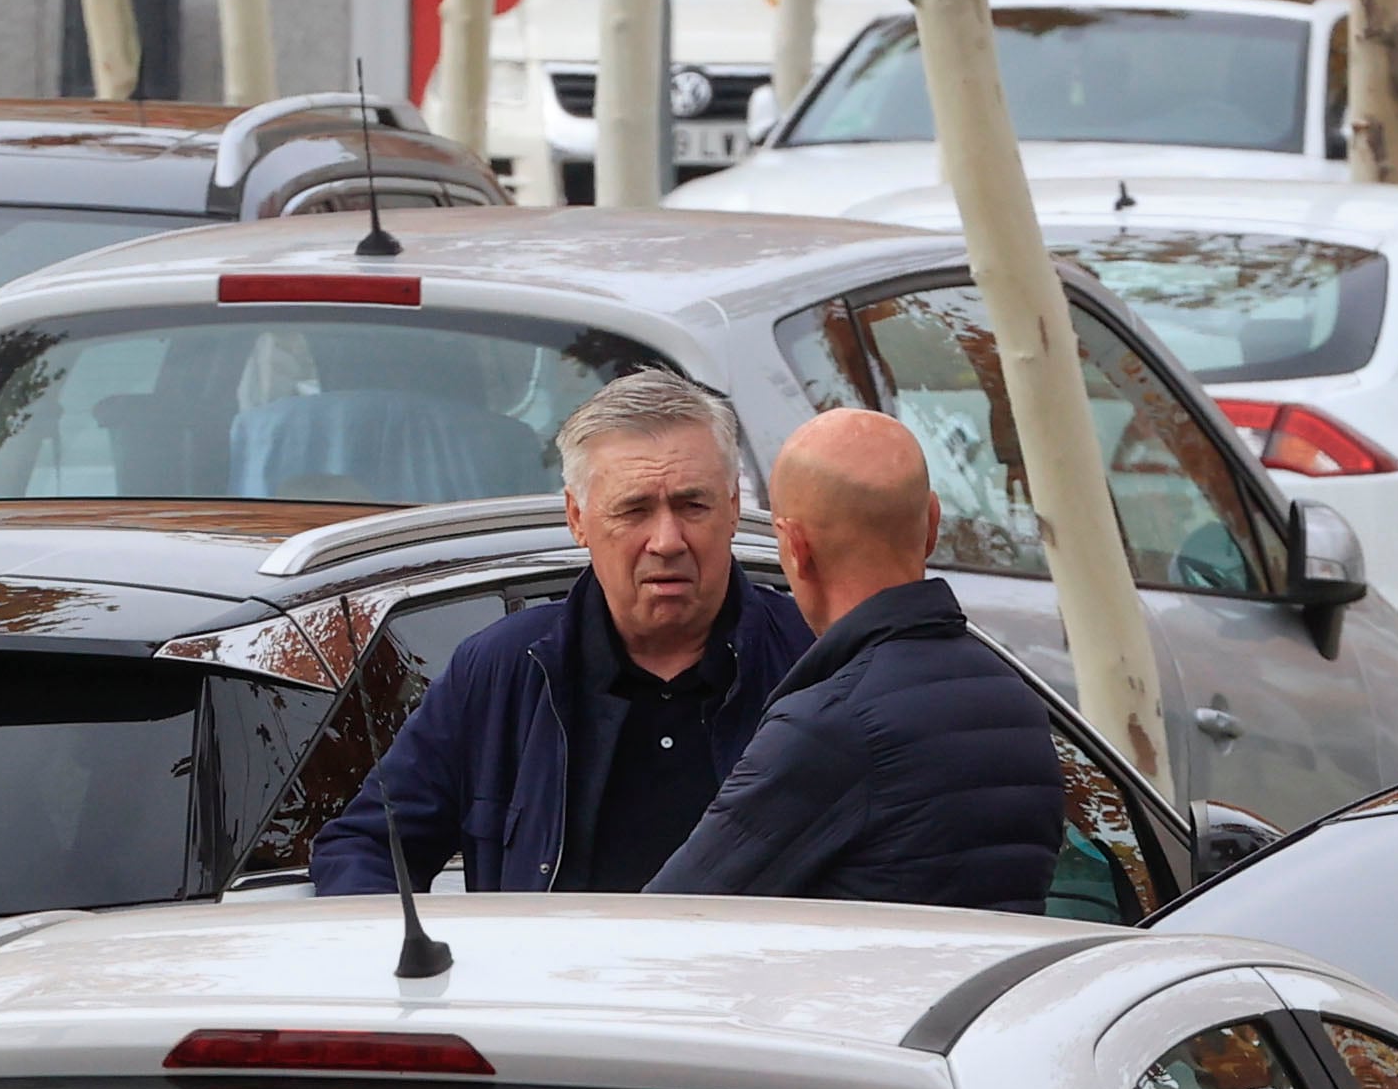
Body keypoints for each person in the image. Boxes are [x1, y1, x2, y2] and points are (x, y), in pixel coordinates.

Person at [309, 370, 813, 894]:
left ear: (733, 507)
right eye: (634, 509)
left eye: (692, 505)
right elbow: (363, 848)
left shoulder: (816, 664)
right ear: (578, 518)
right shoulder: (502, 672)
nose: (666, 540)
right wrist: (426, 963)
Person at [647, 408, 1064, 912]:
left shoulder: (830, 726)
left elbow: (672, 918)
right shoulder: (1015, 699)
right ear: (932, 522)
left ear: (796, 547)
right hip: (1002, 991)